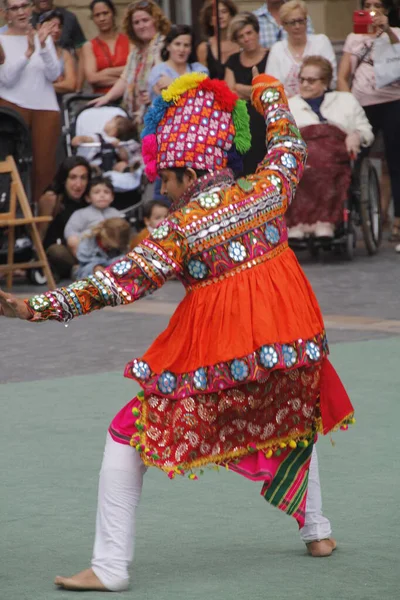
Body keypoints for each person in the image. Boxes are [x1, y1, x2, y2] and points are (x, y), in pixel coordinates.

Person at [0, 72, 355, 591]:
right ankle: (318, 532)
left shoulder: (178, 229)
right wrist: (263, 88)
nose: (160, 187)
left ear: (187, 171)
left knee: (126, 435)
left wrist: (36, 309)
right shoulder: (268, 185)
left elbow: (116, 282)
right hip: (296, 345)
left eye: (165, 178)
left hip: (224, 351)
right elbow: (287, 138)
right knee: (290, 412)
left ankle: (110, 566)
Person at [286, 55, 374, 239]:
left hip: (335, 152)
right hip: (303, 150)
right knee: (297, 169)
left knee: (324, 166)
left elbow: (366, 130)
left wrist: (356, 135)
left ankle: (324, 221)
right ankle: (298, 222)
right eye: (302, 79)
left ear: (325, 82)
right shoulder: (290, 106)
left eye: (311, 80)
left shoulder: (345, 101)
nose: (305, 84)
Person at [337, 0, 400, 242]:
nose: (373, 9)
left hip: (394, 101)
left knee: (395, 162)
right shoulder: (355, 37)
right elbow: (343, 75)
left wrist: (388, 31)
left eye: (378, 5)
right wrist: (347, 105)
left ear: (386, 9)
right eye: (369, 4)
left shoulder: (396, 34)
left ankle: (396, 220)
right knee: (354, 157)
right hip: (363, 104)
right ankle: (354, 213)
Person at [0, 0, 61, 204]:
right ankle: (10, 223)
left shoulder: (41, 37)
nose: (21, 12)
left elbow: (55, 75)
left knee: (44, 170)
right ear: (5, 13)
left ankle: (41, 227)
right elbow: (6, 79)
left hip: (45, 107)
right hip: (11, 107)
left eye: (25, 6)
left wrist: (42, 46)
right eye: (15, 8)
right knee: (10, 167)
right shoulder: (1, 39)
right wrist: (27, 54)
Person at [92, 0, 170, 129]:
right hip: (138, 117)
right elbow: (125, 77)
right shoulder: (136, 51)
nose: (141, 26)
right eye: (136, 22)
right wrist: (107, 97)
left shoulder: (165, 45)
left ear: (156, 21)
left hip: (160, 115)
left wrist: (154, 95)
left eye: (145, 20)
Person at [225, 12, 268, 175]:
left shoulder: (270, 56)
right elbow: (229, 95)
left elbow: (268, 91)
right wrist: (254, 89)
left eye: (249, 33)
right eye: (241, 36)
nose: (246, 38)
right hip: (240, 123)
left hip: (264, 121)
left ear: (257, 32)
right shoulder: (233, 61)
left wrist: (240, 87)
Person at [265, 0, 336, 98]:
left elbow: (331, 79)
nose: (297, 26)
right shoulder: (277, 50)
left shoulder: (321, 42)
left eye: (300, 21)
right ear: (283, 25)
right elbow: (271, 86)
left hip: (320, 101)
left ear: (306, 21)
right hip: (288, 105)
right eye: (292, 23)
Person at [37, 156, 91, 279]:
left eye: (83, 178)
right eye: (73, 178)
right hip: (63, 251)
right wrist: (35, 262)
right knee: (57, 251)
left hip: (88, 249)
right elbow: (39, 234)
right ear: (64, 179)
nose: (78, 184)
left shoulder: (91, 197)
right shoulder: (52, 198)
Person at [64, 176, 122, 257]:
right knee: (72, 240)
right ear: (88, 198)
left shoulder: (115, 213)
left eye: (106, 192)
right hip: (88, 248)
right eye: (97, 192)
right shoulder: (81, 213)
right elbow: (70, 232)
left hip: (112, 248)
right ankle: (84, 263)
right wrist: (88, 235)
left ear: (112, 197)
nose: (102, 195)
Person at [148, 25, 208, 101]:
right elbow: (165, 100)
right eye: (177, 44)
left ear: (191, 49)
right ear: (168, 46)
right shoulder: (157, 72)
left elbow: (202, 93)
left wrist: (173, 83)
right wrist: (188, 86)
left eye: (186, 45)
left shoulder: (199, 69)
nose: (182, 49)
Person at [82, 0, 130, 95]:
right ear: (93, 18)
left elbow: (135, 70)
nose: (102, 18)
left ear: (113, 13)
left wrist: (106, 72)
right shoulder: (89, 46)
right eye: (97, 15)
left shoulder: (130, 41)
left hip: (128, 97)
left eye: (105, 13)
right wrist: (125, 80)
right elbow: (92, 78)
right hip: (101, 99)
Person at [71, 114, 140, 173]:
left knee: (121, 164)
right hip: (96, 162)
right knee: (90, 167)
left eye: (110, 122)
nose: (107, 122)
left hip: (112, 165)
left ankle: (127, 169)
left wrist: (119, 147)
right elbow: (88, 139)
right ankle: (95, 172)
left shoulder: (118, 143)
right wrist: (80, 139)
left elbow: (125, 158)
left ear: (114, 131)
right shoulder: (99, 137)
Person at [197, 0, 239, 80]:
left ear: (231, 16)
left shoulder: (241, 45)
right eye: (215, 14)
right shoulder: (204, 48)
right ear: (210, 21)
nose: (220, 16)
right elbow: (202, 79)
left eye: (224, 12)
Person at [38, 9, 77, 97]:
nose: (56, 30)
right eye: (52, 26)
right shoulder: (33, 50)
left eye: (59, 26)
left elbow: (71, 84)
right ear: (40, 27)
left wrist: (44, 85)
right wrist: (59, 82)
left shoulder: (65, 54)